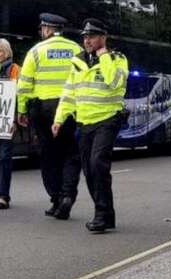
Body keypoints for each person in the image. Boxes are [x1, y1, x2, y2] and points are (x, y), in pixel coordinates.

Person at [53, 19, 129, 232]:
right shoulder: (77, 61)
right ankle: (106, 214)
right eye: (85, 37)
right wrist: (59, 118)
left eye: (92, 36)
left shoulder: (118, 59)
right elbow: (69, 92)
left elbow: (114, 82)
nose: (87, 40)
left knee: (98, 164)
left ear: (103, 38)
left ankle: (101, 216)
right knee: (88, 170)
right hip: (85, 122)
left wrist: (103, 56)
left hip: (108, 119)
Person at [16, 13, 83, 219]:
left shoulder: (36, 51)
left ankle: (56, 198)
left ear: (46, 29)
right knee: (70, 153)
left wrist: (22, 110)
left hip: (42, 109)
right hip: (69, 108)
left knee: (48, 155)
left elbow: (25, 84)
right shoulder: (77, 50)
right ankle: (67, 196)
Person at [0, 38, 20, 210]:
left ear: (7, 53)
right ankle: (1, 193)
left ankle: (3, 196)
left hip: (7, 121)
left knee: (4, 157)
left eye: (0, 51)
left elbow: (17, 96)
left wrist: (14, 119)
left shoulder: (14, 69)